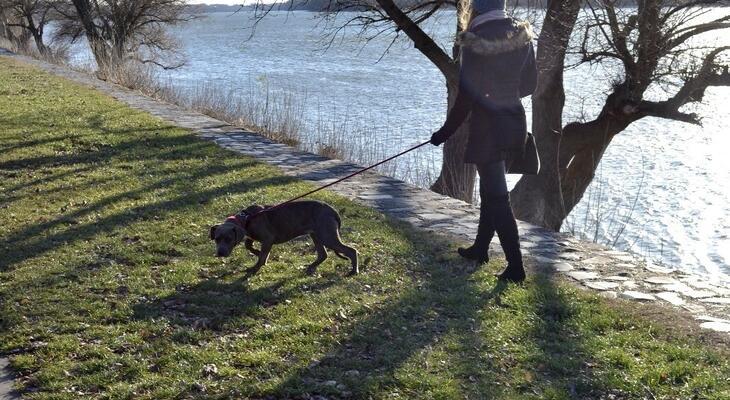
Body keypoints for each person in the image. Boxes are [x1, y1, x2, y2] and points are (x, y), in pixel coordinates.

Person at [430, 0, 537, 282]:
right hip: (514, 122)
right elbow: (530, 85)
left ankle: (516, 267)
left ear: (475, 9)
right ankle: (480, 249)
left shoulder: (473, 41)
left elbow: (465, 97)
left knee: (498, 197)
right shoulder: (522, 35)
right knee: (491, 191)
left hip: (488, 128)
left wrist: (444, 133)